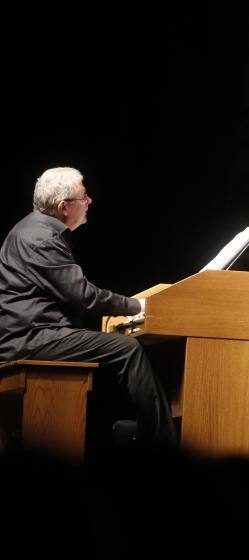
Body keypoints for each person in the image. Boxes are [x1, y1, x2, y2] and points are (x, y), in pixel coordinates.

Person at [0, 167, 176, 445]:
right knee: (127, 350)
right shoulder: (41, 239)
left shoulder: (32, 229)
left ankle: (128, 438)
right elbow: (84, 296)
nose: (90, 201)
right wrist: (136, 306)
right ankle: (164, 445)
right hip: (32, 338)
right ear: (63, 207)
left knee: (111, 353)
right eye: (84, 197)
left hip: (31, 333)